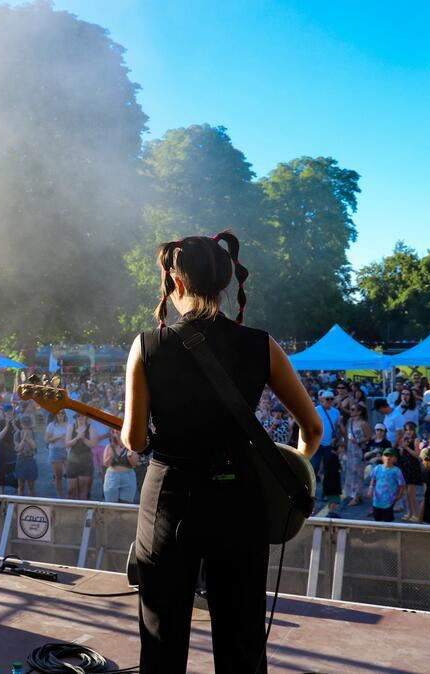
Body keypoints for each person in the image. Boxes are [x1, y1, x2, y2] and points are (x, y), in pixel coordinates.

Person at [121, 232, 322, 674]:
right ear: (224, 284)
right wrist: (290, 469)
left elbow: (135, 442)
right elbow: (312, 428)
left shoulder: (147, 345)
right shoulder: (261, 345)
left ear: (174, 284)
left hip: (170, 500)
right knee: (242, 638)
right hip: (240, 501)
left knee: (161, 634)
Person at [395, 421, 423, 520]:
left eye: (410, 429)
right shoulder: (405, 439)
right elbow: (402, 454)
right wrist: (402, 447)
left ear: (414, 430)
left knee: (411, 493)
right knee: (406, 493)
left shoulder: (416, 440)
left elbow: (417, 454)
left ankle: (416, 514)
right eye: (406, 430)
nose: (408, 432)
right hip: (405, 466)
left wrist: (406, 447)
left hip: (413, 467)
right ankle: (410, 513)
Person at [368, 449, 405, 522]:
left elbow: (402, 485)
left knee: (387, 521)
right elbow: (373, 480)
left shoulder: (396, 471)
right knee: (377, 520)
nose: (388, 458)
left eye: (391, 456)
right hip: (377, 500)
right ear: (382, 457)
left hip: (389, 501)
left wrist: (398, 496)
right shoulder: (377, 468)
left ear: (394, 458)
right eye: (386, 455)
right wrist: (370, 489)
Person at [65, 415, 96, 500]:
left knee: (83, 490)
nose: (80, 417)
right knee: (71, 490)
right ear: (76, 417)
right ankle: (70, 511)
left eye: (82, 415)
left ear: (86, 417)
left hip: (86, 461)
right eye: (78, 415)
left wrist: (83, 438)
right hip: (72, 460)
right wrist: (77, 438)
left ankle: (82, 512)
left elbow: (93, 444)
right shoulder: (71, 427)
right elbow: (67, 444)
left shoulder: (90, 427)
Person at [102, 432, 138, 503]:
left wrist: (130, 456)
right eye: (116, 431)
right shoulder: (109, 446)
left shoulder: (131, 446)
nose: (118, 433)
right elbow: (106, 464)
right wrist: (111, 456)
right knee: (111, 505)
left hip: (128, 476)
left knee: (126, 505)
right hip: (112, 477)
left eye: (120, 430)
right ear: (113, 433)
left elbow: (134, 464)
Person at [44, 411, 71, 498]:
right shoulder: (52, 425)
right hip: (55, 450)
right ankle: (60, 496)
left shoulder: (69, 424)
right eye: (58, 413)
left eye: (62, 413)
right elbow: (47, 440)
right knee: (58, 476)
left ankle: (70, 495)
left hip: (67, 450)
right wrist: (59, 437)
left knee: (70, 474)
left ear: (64, 415)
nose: (60, 415)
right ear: (56, 415)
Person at [13, 415, 38, 497]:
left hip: (30, 459)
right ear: (21, 424)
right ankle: (20, 506)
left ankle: (32, 505)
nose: (26, 426)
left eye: (27, 424)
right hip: (21, 459)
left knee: (32, 487)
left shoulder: (33, 433)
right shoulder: (17, 434)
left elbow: (34, 447)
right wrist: (24, 438)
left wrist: (28, 438)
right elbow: (18, 449)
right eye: (24, 424)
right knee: (21, 487)